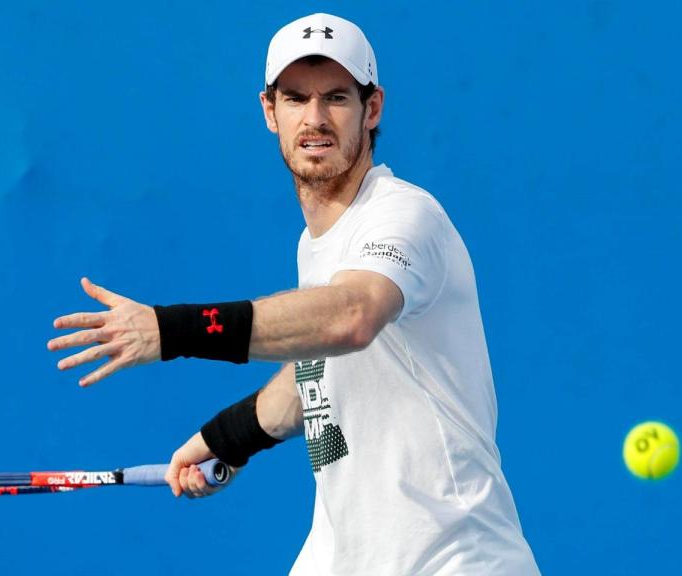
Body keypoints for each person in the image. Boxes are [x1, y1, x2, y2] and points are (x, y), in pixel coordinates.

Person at [47, 13, 539, 575]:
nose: (315, 118)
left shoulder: (404, 215)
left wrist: (171, 329)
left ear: (371, 109)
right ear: (269, 112)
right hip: (346, 555)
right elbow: (321, 372)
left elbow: (351, 317)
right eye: (296, 98)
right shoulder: (316, 247)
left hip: (453, 560)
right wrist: (229, 436)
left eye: (336, 97)